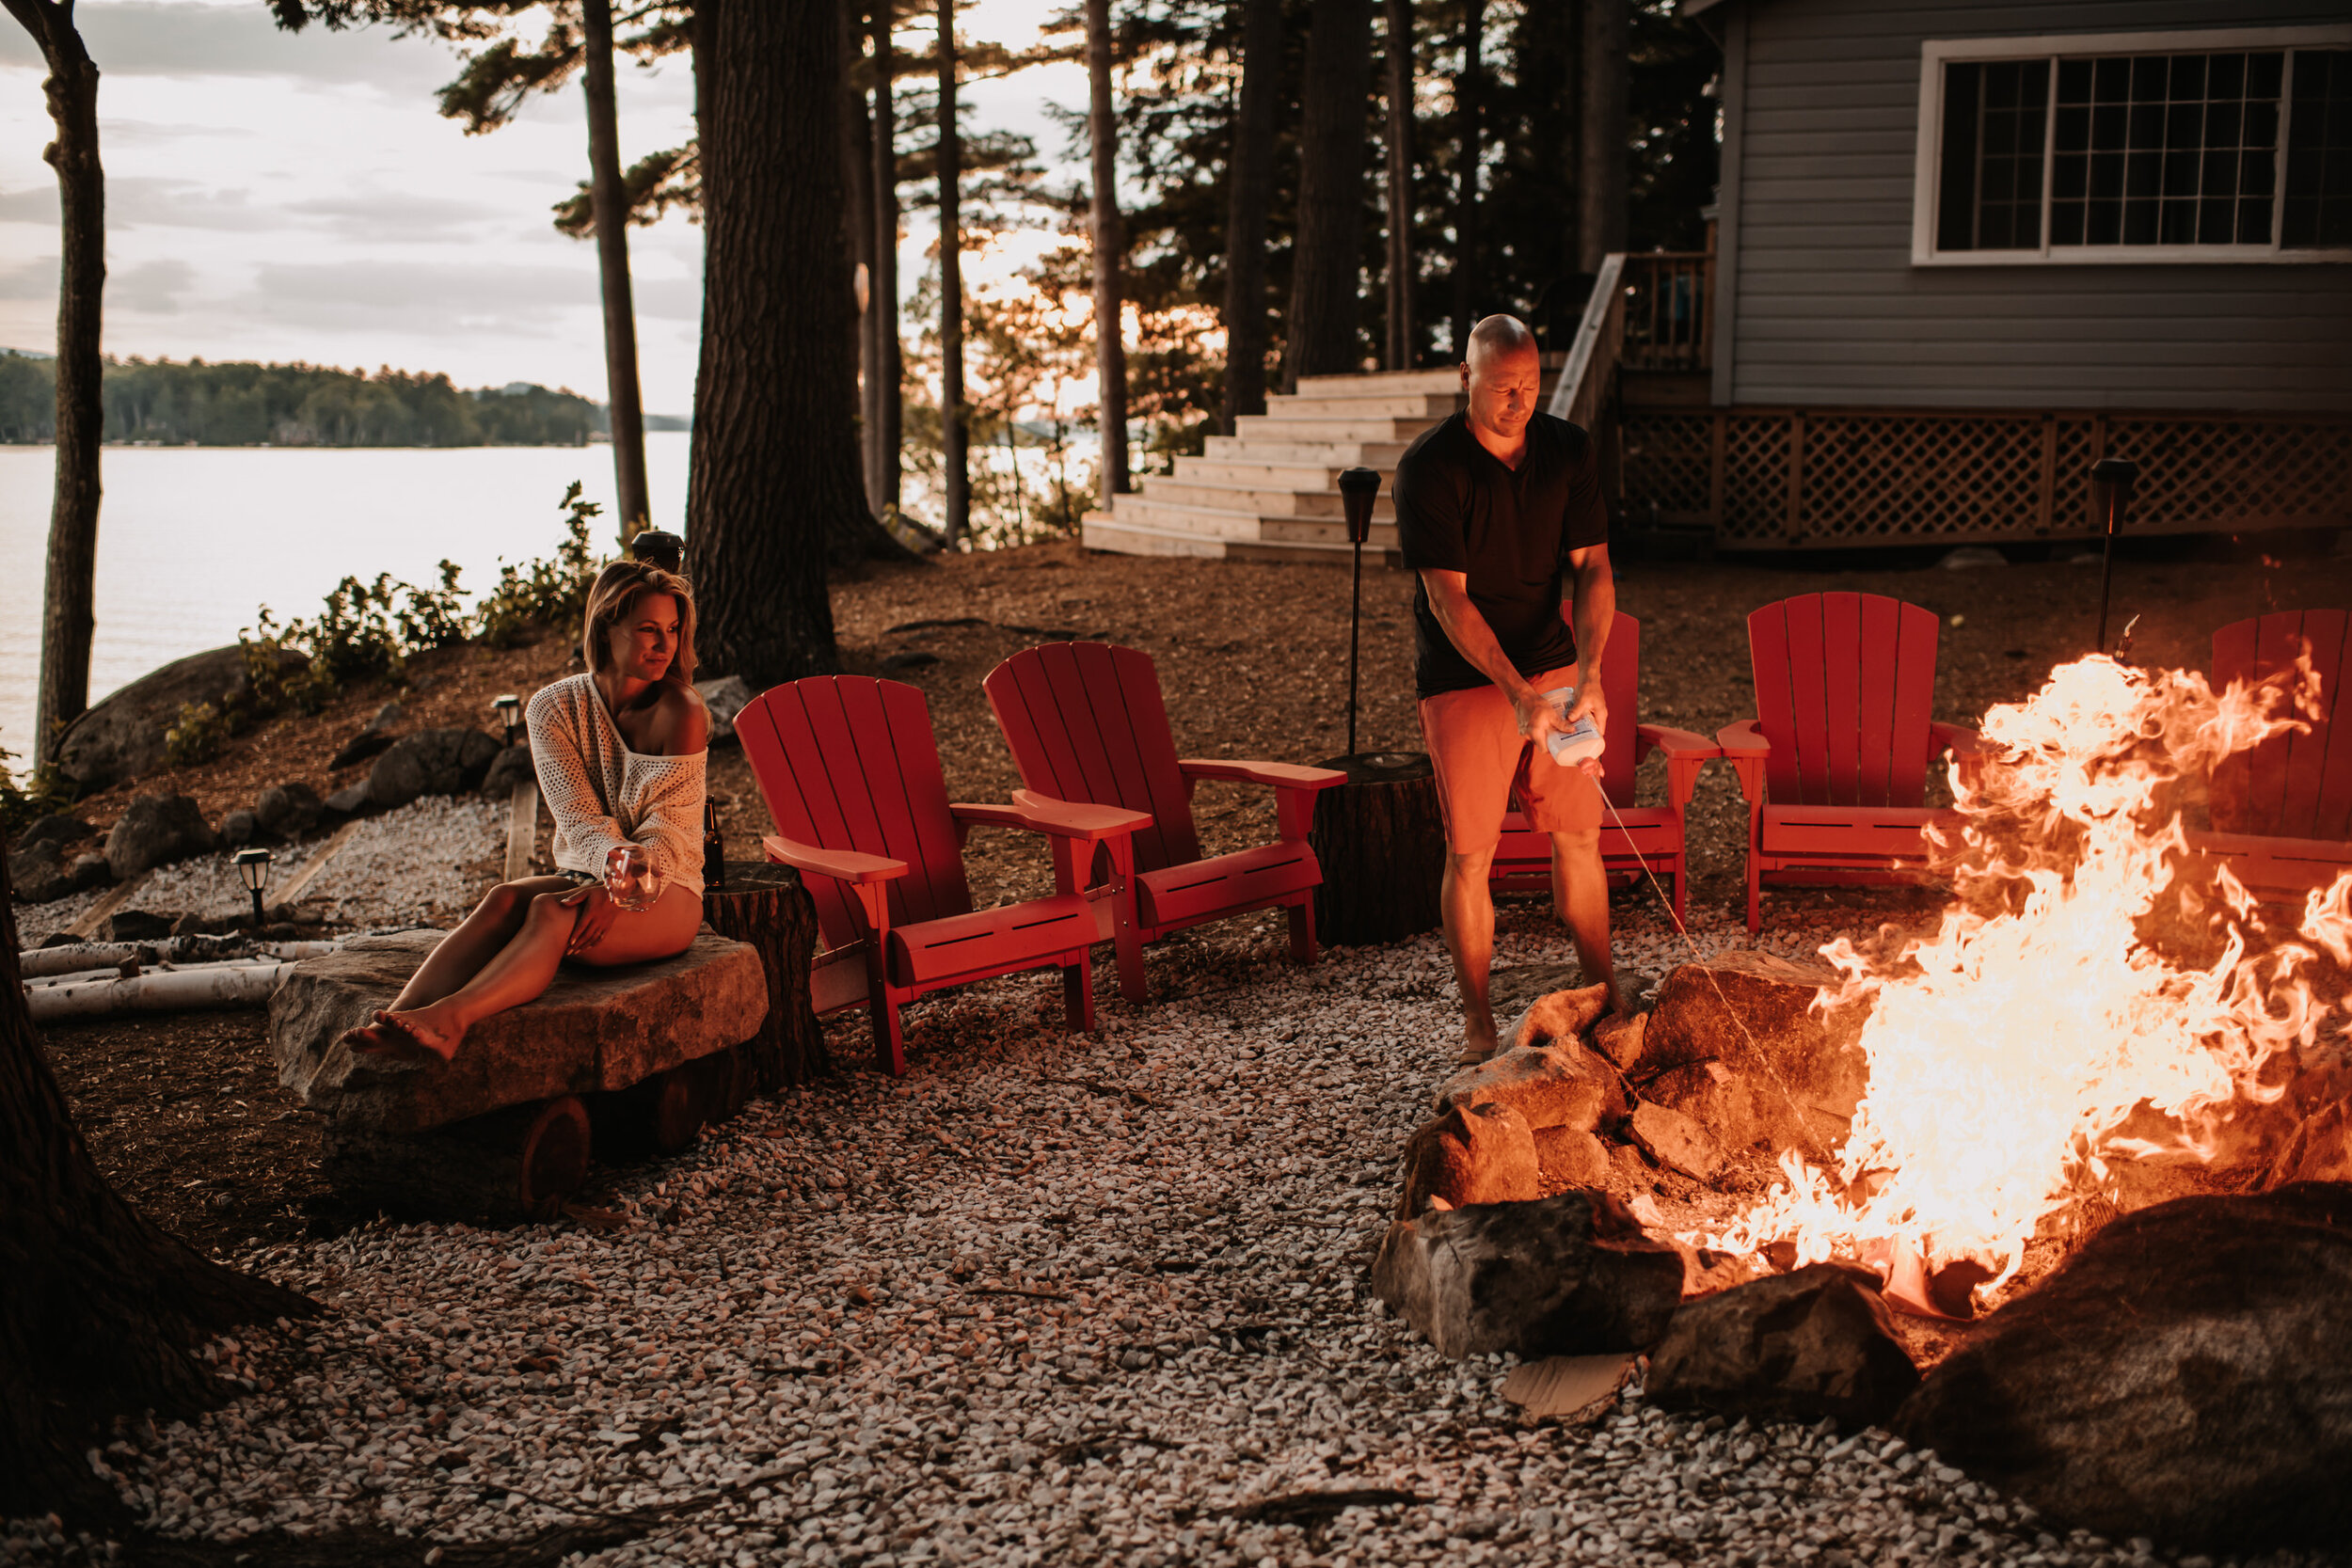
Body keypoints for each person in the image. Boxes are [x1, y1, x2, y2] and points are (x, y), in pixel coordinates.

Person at [342, 560, 710, 1062]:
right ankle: (398, 1016)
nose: (664, 646)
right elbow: (578, 820)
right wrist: (607, 878)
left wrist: (620, 886)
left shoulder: (681, 710)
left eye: (672, 630)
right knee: (503, 899)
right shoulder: (552, 708)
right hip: (595, 875)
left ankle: (453, 1021)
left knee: (548, 910)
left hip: (669, 893)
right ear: (605, 626)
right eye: (648, 629)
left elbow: (669, 833)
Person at [1394, 313, 1617, 1066]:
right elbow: (1448, 599)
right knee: (1472, 855)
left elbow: (1592, 568)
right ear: (1466, 377)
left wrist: (1588, 675)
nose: (1517, 400)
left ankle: (1602, 995)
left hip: (1552, 661)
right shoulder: (1430, 468)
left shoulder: (1567, 451)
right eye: (1500, 386)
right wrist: (1516, 693)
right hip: (1464, 675)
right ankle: (1480, 1024)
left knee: (1580, 835)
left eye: (1529, 385)